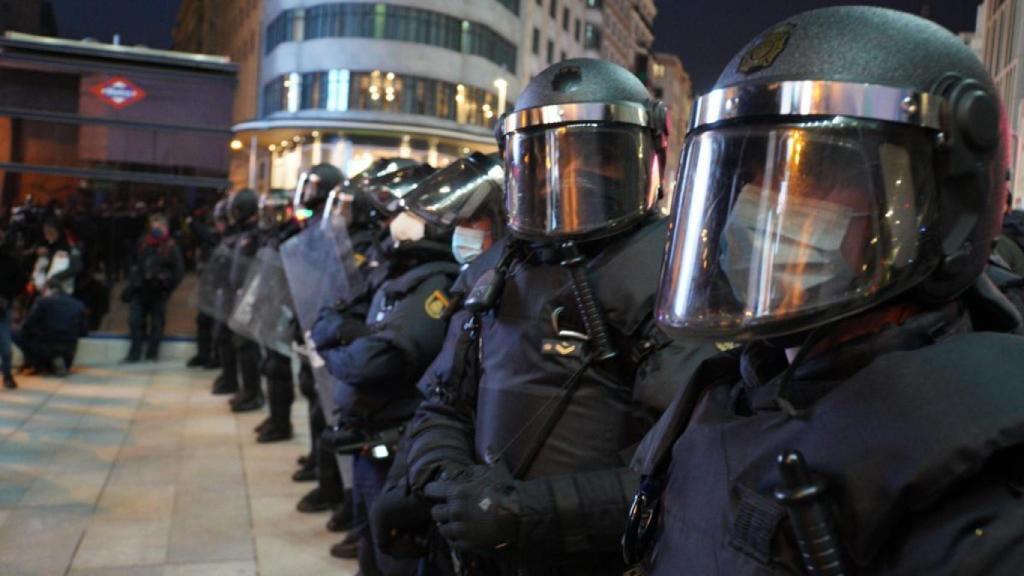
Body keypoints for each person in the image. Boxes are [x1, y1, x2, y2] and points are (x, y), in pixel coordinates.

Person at [623, 7, 1024, 575]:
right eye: (750, 177)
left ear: (946, 205)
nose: (759, 207)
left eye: (815, 175)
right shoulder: (743, 384)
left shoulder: (981, 511)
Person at [395, 59, 718, 575]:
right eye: (548, 158)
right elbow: (441, 404)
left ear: (646, 157)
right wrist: (447, 484)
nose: (569, 178)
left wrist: (528, 515)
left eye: (598, 160)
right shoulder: (498, 268)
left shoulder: (673, 281)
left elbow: (691, 469)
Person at [312, 153, 504, 575]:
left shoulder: (437, 280)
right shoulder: (400, 268)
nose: (464, 232)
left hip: (400, 442)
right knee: (370, 542)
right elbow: (336, 316)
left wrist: (333, 350)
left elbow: (377, 360)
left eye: (474, 223)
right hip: (382, 437)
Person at [123, 213, 184, 362]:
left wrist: (167, 288)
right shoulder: (143, 242)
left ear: (165, 227)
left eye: (159, 225)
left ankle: (152, 354)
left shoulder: (171, 246)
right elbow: (132, 262)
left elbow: (178, 271)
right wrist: (133, 279)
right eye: (154, 224)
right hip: (140, 290)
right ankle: (134, 354)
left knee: (157, 325)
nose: (156, 228)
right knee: (135, 322)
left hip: (158, 292)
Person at [223, 189, 264, 413]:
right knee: (241, 346)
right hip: (239, 296)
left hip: (251, 298)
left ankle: (253, 393)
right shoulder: (243, 233)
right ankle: (247, 390)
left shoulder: (255, 234)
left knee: (247, 347)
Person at [13, 280, 86, 376]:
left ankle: (39, 364)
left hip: (47, 344)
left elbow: (28, 325)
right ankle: (58, 361)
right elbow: (83, 331)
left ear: (48, 290)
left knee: (15, 334)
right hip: (69, 346)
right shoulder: (78, 304)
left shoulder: (43, 302)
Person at [187, 198, 227, 369]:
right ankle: (203, 354)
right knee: (203, 322)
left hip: (221, 289)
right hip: (208, 286)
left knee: (217, 326)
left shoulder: (228, 238)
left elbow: (209, 238)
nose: (218, 225)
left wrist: (193, 224)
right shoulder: (216, 237)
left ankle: (216, 357)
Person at [0, 224, 23, 389]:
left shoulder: (9, 260)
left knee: (5, 344)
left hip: (3, 307)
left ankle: (7, 374)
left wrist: (6, 297)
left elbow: (20, 281)